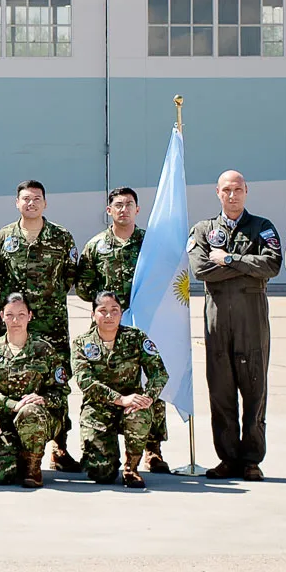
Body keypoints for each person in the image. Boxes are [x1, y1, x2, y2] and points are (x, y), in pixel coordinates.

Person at [187, 170, 282, 481]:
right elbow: (200, 269)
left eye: (238, 189)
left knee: (255, 389)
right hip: (218, 319)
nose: (232, 195)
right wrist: (246, 266)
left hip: (252, 319)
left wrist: (228, 260)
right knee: (221, 389)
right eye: (227, 189)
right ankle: (228, 458)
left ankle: (252, 459)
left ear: (246, 191)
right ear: (217, 192)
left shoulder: (262, 227)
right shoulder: (203, 229)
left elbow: (271, 265)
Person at [74, 187, 169, 473]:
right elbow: (83, 286)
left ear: (137, 210)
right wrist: (108, 309)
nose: (124, 210)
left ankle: (153, 449)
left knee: (147, 379)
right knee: (104, 376)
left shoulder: (150, 243)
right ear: (109, 211)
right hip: (108, 321)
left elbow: (164, 277)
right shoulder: (96, 246)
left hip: (145, 321)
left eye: (129, 205)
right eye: (118, 205)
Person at [0, 180, 80, 471]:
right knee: (9, 377)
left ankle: (59, 446)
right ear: (17, 203)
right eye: (25, 199)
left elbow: (69, 275)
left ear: (45, 203)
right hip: (12, 324)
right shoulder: (4, 237)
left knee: (56, 381)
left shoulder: (61, 237)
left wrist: (45, 300)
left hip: (50, 324)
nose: (31, 204)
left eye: (36, 199)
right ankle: (14, 441)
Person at [70, 291, 169, 488]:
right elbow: (85, 381)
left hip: (131, 406)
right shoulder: (81, 343)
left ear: (121, 313)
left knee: (139, 413)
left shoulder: (136, 337)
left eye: (114, 310)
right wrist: (119, 399)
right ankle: (101, 455)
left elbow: (159, 373)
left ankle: (131, 468)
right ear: (93, 315)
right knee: (100, 473)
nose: (109, 316)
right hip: (98, 408)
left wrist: (147, 398)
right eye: (102, 311)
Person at [0, 293, 69, 488]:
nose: (15, 320)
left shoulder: (44, 350)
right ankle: (17, 454)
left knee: (29, 411)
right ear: (2, 316)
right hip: (4, 417)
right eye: (10, 315)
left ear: (30, 316)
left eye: (21, 314)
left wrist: (42, 399)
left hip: (38, 418)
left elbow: (61, 390)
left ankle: (32, 467)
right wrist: (13, 405)